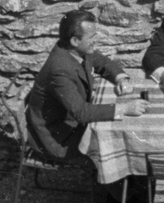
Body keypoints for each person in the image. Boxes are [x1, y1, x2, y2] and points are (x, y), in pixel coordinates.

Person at [25, 10, 146, 164]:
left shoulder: (73, 50)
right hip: (58, 139)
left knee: (119, 131)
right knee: (116, 141)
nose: (96, 40)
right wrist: (124, 109)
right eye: (92, 37)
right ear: (75, 41)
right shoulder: (60, 69)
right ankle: (114, 184)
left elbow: (100, 60)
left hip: (70, 124)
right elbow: (81, 113)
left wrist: (120, 78)